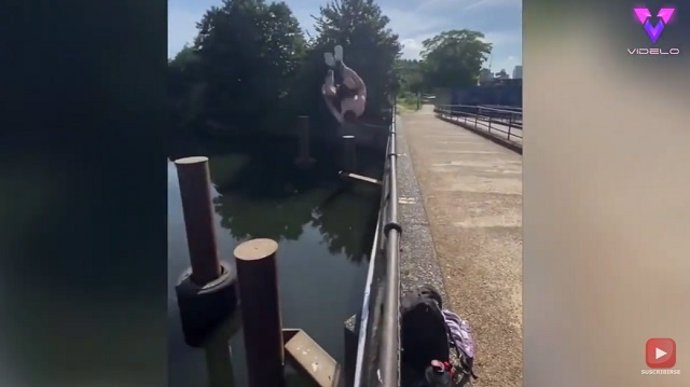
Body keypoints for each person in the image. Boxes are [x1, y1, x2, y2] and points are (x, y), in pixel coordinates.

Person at [321, 46, 367, 124]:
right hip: (352, 90)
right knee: (350, 82)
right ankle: (341, 65)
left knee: (329, 92)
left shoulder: (340, 117)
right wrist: (347, 70)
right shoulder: (359, 107)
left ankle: (331, 69)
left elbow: (331, 106)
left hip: (340, 95)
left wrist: (325, 92)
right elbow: (361, 87)